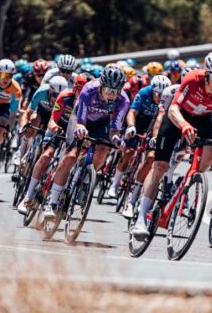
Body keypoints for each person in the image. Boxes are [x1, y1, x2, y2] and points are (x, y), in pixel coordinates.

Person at [131, 51, 212, 238]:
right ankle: (140, 219)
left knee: (211, 150)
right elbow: (173, 108)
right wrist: (183, 125)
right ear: (207, 75)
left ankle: (188, 182)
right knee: (160, 166)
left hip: (202, 119)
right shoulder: (192, 79)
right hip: (178, 117)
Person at [43, 66, 130, 220]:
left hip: (101, 123)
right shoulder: (89, 89)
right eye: (108, 90)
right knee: (71, 155)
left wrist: (117, 139)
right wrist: (80, 128)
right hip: (80, 119)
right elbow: (80, 121)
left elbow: (114, 130)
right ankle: (52, 202)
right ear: (101, 85)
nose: (111, 95)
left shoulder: (123, 100)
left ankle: (86, 180)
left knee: (103, 150)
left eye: (116, 91)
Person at [16, 75, 79, 214]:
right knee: (46, 155)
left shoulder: (86, 102)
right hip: (54, 123)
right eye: (54, 95)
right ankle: (28, 197)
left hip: (71, 131)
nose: (55, 97)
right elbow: (38, 115)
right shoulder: (57, 96)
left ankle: (59, 197)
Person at [107, 75, 171, 200]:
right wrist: (131, 126)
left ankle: (136, 190)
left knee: (151, 157)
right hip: (139, 120)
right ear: (152, 91)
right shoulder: (144, 92)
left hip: (154, 124)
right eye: (158, 94)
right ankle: (115, 184)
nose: (160, 98)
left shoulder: (168, 98)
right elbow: (132, 112)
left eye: (162, 95)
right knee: (129, 151)